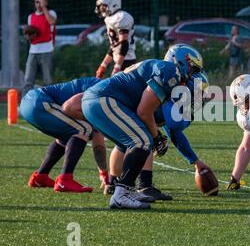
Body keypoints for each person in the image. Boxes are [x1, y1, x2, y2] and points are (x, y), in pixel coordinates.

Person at [82, 44, 203, 209]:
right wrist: (156, 137)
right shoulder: (170, 70)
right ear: (180, 60)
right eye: (193, 68)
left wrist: (156, 136)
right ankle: (121, 194)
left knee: (137, 140)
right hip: (104, 99)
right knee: (142, 140)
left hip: (101, 100)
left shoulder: (162, 69)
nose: (193, 74)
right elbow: (144, 112)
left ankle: (124, 188)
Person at [104, 71, 212, 201]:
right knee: (147, 139)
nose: (199, 97)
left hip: (116, 103)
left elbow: (174, 133)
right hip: (115, 104)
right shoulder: (169, 97)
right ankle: (144, 186)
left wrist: (195, 161)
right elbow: (175, 126)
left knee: (125, 144)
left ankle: (112, 183)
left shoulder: (169, 93)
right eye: (199, 92)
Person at [19, 77, 108, 193]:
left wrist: (103, 172)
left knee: (68, 135)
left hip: (29, 103)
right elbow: (97, 136)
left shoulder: (102, 85)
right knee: (84, 129)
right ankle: (65, 180)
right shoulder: (103, 90)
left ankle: (40, 177)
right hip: (39, 102)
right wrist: (104, 173)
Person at [95, 0, 136, 78]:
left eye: (103, 6)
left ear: (112, 4)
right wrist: (103, 65)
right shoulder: (110, 19)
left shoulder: (121, 17)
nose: (101, 9)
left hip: (127, 61)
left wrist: (117, 66)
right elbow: (114, 46)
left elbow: (124, 44)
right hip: (120, 61)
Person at [22, 0, 57, 96]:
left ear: (46, 2)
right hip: (33, 51)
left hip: (47, 51)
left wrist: (44, 7)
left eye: (41, 2)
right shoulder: (31, 16)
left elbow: (51, 22)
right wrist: (28, 36)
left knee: (47, 81)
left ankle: (49, 102)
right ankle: (24, 103)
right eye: (37, 2)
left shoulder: (51, 13)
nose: (39, 4)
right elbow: (30, 34)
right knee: (28, 80)